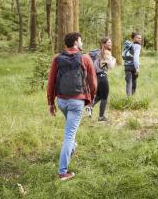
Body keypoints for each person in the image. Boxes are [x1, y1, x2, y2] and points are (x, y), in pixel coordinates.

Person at [47, 32, 97, 181]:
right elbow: (93, 82)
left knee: (70, 132)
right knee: (69, 135)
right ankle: (63, 172)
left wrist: (50, 102)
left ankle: (70, 148)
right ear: (76, 42)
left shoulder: (57, 58)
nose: (81, 43)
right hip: (77, 102)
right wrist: (91, 99)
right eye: (80, 41)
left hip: (61, 101)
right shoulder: (85, 57)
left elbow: (51, 82)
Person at [87, 37, 116, 122]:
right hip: (103, 77)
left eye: (111, 42)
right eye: (108, 42)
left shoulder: (98, 53)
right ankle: (101, 117)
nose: (110, 44)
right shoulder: (107, 52)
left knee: (99, 96)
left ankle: (89, 106)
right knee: (105, 97)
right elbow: (110, 66)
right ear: (103, 44)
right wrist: (114, 60)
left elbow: (98, 65)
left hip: (96, 76)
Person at [123, 32, 142, 96]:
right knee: (134, 82)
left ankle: (128, 99)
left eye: (140, 38)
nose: (140, 39)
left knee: (128, 83)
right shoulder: (138, 46)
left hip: (126, 66)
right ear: (133, 38)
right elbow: (136, 57)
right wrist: (137, 68)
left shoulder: (129, 45)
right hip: (133, 66)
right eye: (138, 38)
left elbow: (123, 55)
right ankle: (132, 98)